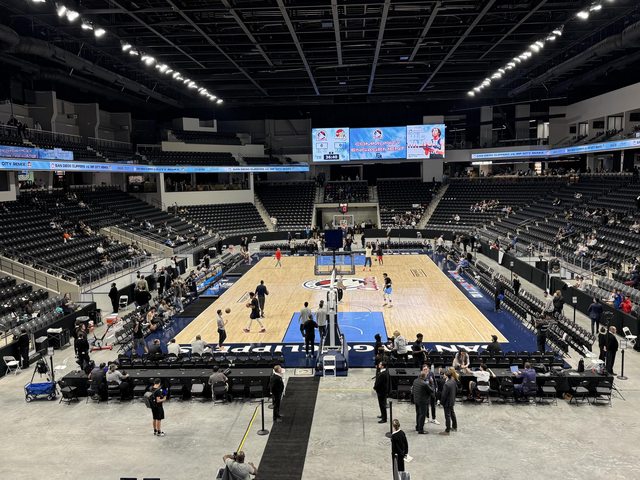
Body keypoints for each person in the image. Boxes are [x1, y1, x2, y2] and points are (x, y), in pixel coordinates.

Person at [439, 368, 458, 435]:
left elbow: (443, 395)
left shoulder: (446, 384)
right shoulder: (453, 381)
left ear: (446, 376)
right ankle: (454, 427)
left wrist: (441, 403)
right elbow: (456, 389)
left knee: (447, 416)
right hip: (452, 400)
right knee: (452, 413)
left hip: (447, 402)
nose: (443, 375)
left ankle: (447, 431)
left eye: (444, 374)